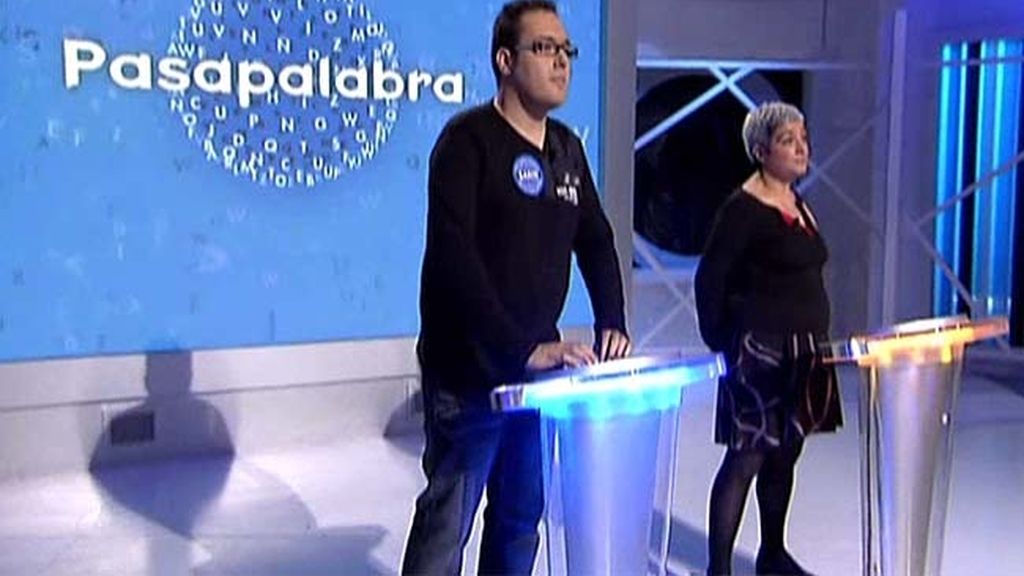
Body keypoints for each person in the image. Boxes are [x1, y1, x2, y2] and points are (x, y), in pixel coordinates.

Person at [400, 1, 631, 574]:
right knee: (447, 523)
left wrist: (612, 319)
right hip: (469, 372)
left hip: (537, 378)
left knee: (520, 518)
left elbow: (596, 239)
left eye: (567, 50)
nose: (562, 61)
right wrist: (520, 349)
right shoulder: (467, 141)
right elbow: (455, 261)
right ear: (505, 60)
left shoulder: (567, 149)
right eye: (545, 48)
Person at [694, 101, 843, 576]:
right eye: (787, 141)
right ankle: (719, 569)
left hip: (805, 351)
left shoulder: (798, 203)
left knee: (785, 453)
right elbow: (710, 278)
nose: (801, 149)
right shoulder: (742, 209)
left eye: (803, 139)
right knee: (746, 458)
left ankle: (772, 553)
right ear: (761, 151)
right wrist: (723, 341)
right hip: (761, 353)